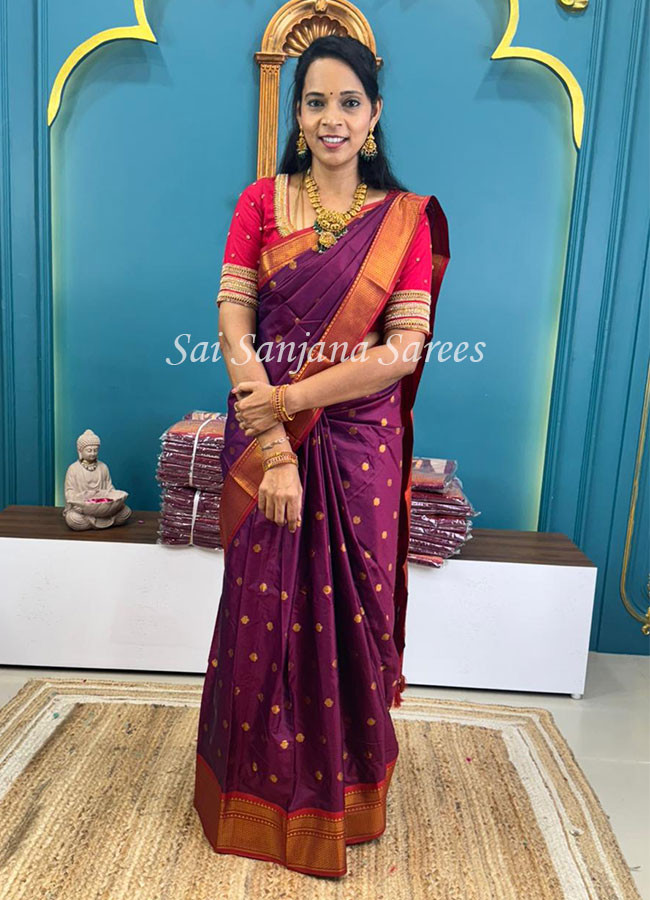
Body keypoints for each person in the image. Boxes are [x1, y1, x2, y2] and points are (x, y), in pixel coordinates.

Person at [194, 34, 450, 878]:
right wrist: (274, 445)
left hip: (357, 450)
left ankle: (343, 796)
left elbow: (401, 350)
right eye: (315, 102)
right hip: (267, 439)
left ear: (374, 116)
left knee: (351, 615)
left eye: (348, 102)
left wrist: (291, 400)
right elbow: (234, 326)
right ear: (297, 116)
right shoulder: (260, 204)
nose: (331, 118)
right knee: (261, 620)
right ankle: (253, 796)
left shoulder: (404, 220)